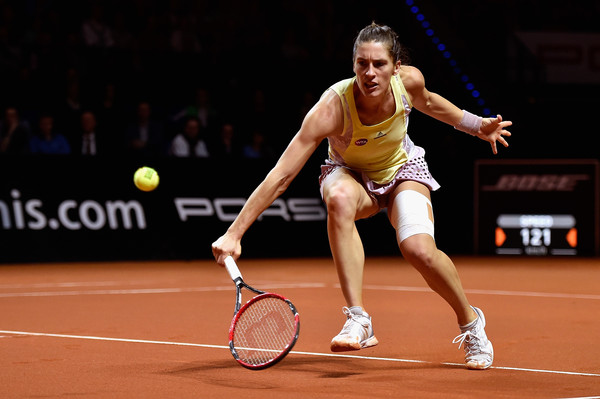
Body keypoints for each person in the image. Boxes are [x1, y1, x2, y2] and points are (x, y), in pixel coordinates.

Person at [211, 23, 512, 370]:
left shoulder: (408, 82)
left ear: (396, 66)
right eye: (361, 64)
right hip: (351, 177)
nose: (369, 73)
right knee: (337, 197)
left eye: (379, 64)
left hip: (401, 171)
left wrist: (477, 125)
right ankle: (359, 318)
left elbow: (429, 102)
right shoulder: (332, 108)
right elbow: (282, 174)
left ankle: (471, 321)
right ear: (353, 64)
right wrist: (235, 232)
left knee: (418, 250)